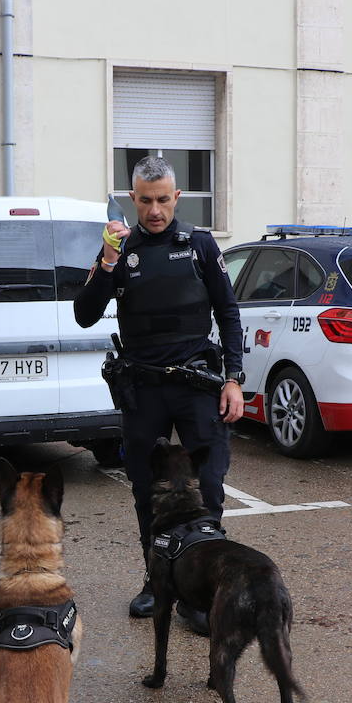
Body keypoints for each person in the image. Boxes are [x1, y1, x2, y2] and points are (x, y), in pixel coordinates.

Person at [73, 155, 245, 635]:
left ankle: (202, 591)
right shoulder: (119, 251)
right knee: (148, 493)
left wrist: (235, 378)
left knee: (207, 490)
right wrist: (106, 262)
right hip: (144, 390)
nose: (154, 211)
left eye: (163, 200)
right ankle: (156, 581)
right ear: (133, 199)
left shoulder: (200, 247)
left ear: (177, 197)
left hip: (196, 387)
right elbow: (84, 314)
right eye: (145, 201)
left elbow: (229, 315)